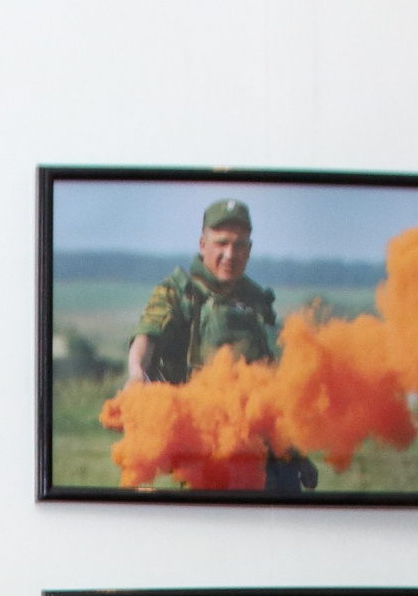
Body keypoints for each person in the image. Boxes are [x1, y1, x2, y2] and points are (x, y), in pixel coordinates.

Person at [126, 199, 316, 495]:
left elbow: (274, 376)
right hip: (208, 449)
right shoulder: (181, 292)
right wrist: (136, 373)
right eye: (221, 243)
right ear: (203, 244)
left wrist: (295, 449)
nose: (230, 254)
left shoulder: (257, 301)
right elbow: (146, 337)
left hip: (264, 449)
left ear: (249, 250)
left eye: (240, 245)